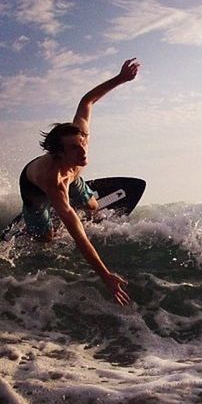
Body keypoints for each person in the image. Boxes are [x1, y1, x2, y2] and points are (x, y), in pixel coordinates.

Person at [19, 58, 140, 306]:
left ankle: (89, 205)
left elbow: (87, 101)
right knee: (46, 238)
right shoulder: (52, 180)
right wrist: (105, 275)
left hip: (71, 177)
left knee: (93, 206)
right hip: (34, 190)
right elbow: (78, 234)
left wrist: (121, 78)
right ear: (60, 153)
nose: (84, 150)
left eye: (83, 143)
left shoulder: (78, 139)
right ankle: (34, 223)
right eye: (76, 148)